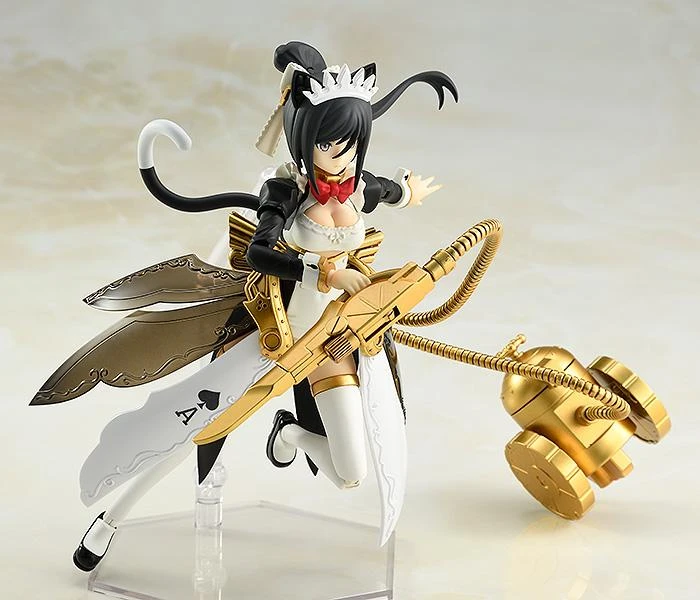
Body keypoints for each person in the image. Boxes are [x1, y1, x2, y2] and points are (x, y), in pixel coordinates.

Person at [31, 41, 458, 571]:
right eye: (330, 144)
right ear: (306, 140)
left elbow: (390, 192)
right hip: (274, 337)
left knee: (352, 473)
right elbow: (260, 252)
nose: (342, 155)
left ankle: (290, 431)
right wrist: (323, 273)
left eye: (352, 144)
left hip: (334, 344)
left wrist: (410, 193)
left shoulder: (358, 188)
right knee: (190, 431)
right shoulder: (285, 191)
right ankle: (111, 520)